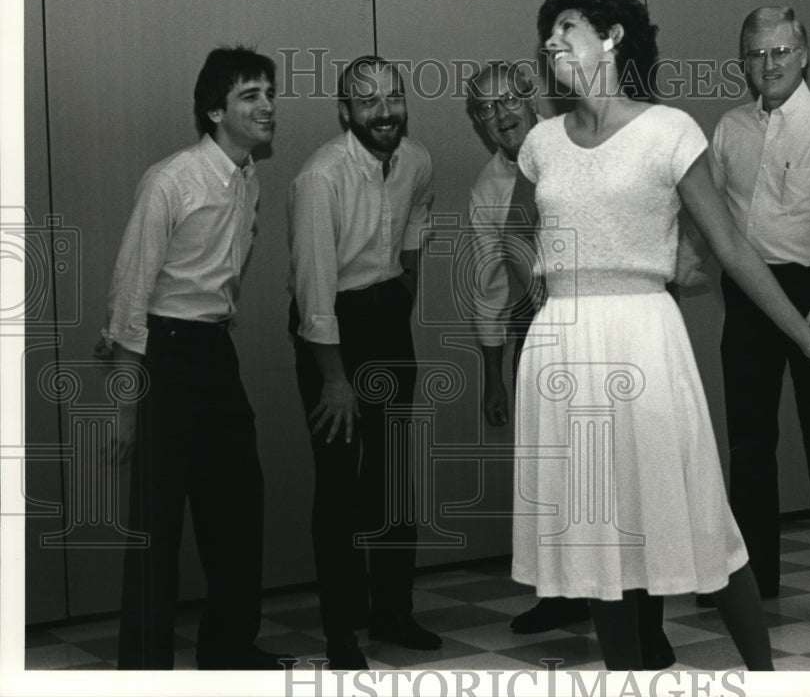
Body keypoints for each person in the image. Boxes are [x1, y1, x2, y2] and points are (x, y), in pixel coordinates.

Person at [511, 0, 810, 671]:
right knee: (594, 538)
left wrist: (807, 338)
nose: (551, 42)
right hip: (564, 340)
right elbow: (515, 231)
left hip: (644, 335)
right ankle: (626, 675)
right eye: (547, 32)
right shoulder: (542, 140)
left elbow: (731, 248)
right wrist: (538, 274)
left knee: (699, 514)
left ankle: (761, 675)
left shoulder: (670, 130)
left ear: (611, 39)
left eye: (567, 27)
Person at [102, 46, 283, 669]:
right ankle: (145, 667)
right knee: (156, 525)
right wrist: (126, 405)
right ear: (214, 111)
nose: (266, 105)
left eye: (268, 92)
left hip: (214, 354)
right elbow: (130, 289)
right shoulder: (171, 180)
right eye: (249, 96)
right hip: (163, 356)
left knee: (237, 505)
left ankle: (229, 650)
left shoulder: (248, 177)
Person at [710, 6, 810, 633]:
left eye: (780, 51)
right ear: (743, 62)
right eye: (756, 53)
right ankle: (755, 580)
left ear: (803, 54)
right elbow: (716, 224)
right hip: (747, 293)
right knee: (750, 444)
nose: (768, 63)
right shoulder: (728, 129)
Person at [287, 55, 438, 669]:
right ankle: (341, 629)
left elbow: (418, 222)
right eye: (368, 100)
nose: (385, 112)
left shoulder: (419, 161)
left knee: (394, 474)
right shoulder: (320, 177)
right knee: (341, 486)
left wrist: (404, 287)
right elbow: (312, 289)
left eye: (394, 98)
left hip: (387, 321)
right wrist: (333, 378)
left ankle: (393, 612)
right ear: (345, 111)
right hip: (332, 333)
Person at [464, 61, 595, 638]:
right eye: (486, 110)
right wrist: (494, 375)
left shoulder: (577, 145)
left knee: (603, 466)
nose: (501, 115)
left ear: (530, 98)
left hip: (595, 327)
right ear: (479, 124)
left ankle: (629, 593)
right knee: (549, 473)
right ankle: (560, 595)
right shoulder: (487, 189)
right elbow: (490, 288)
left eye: (509, 100)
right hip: (535, 335)